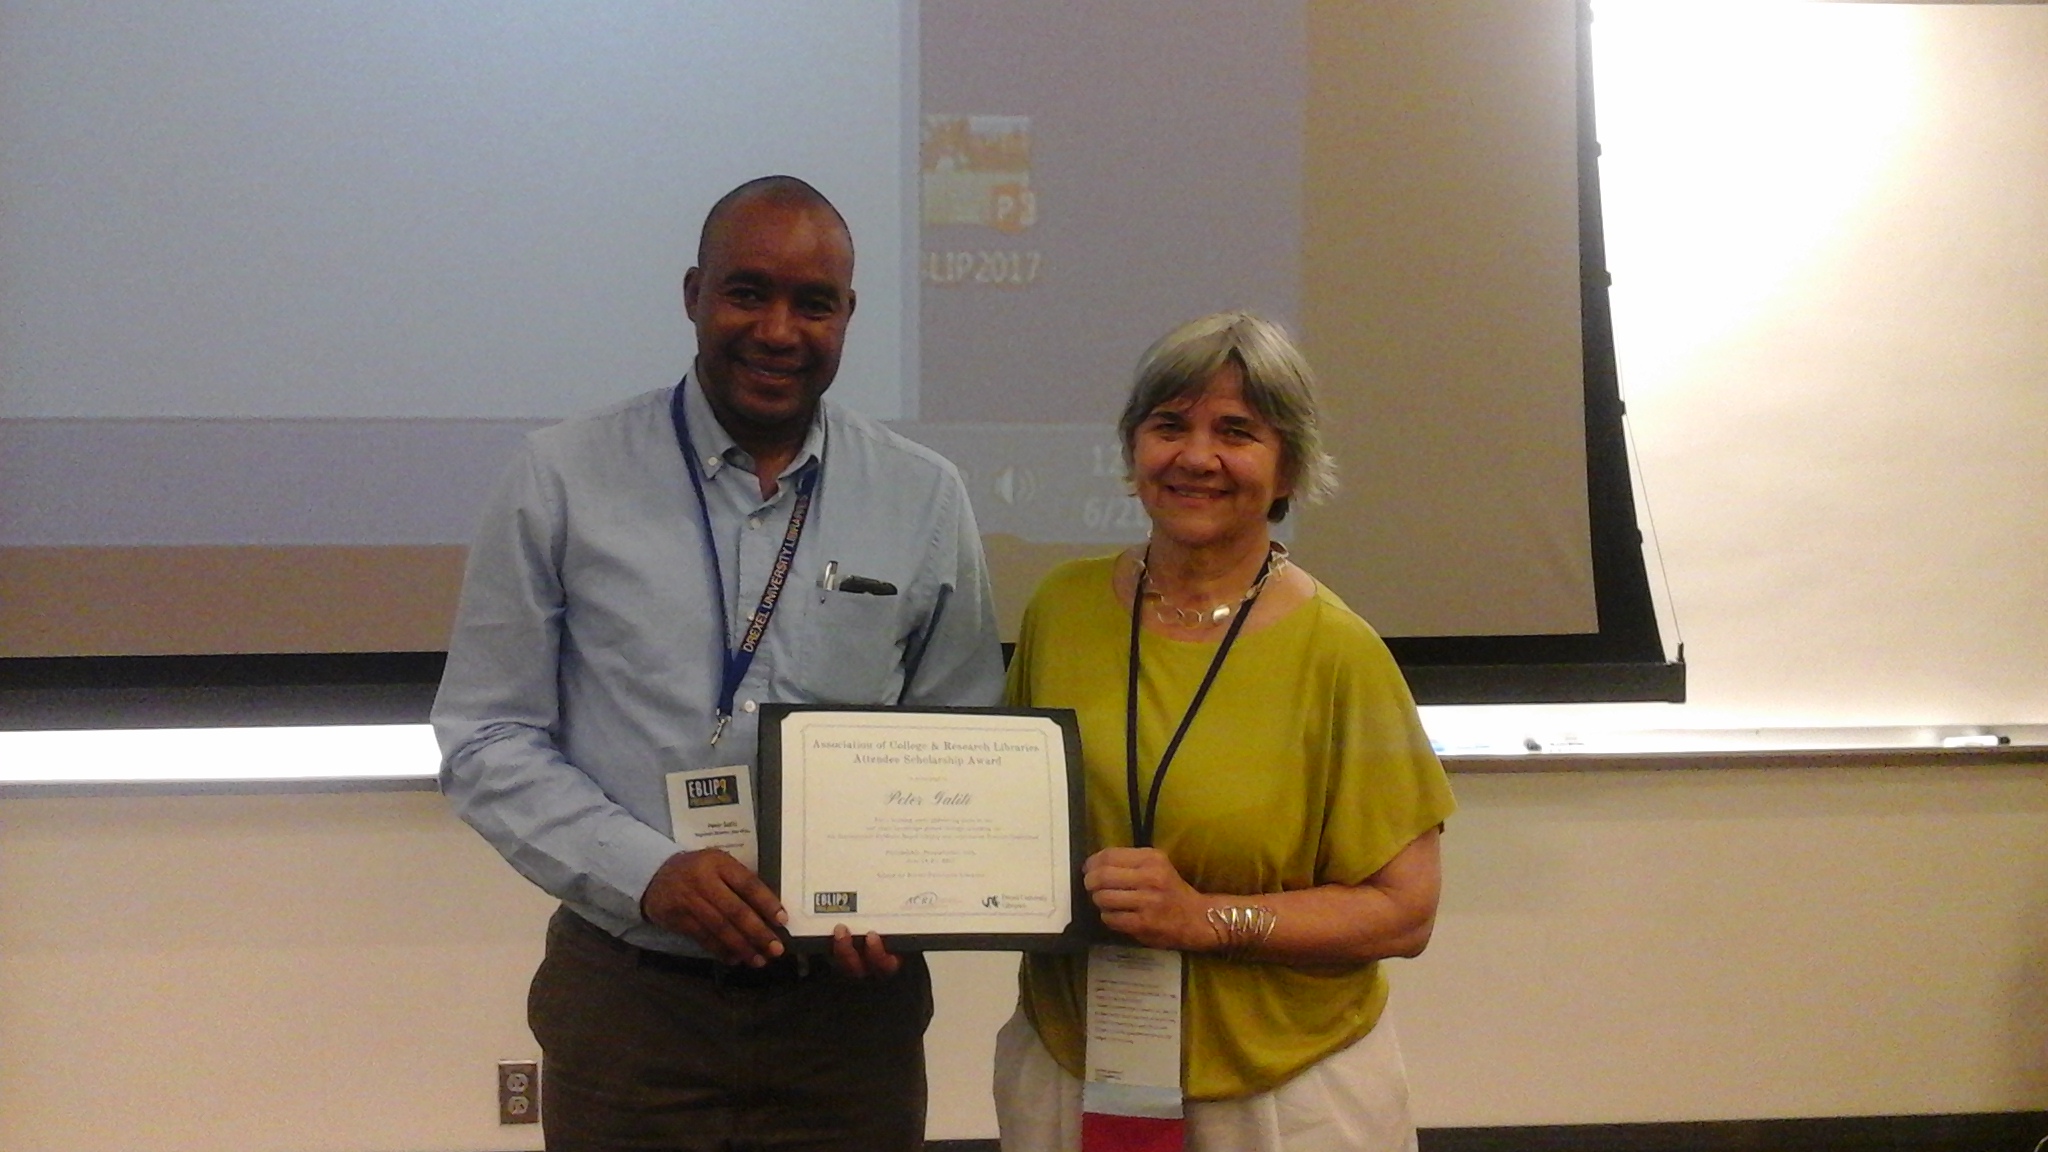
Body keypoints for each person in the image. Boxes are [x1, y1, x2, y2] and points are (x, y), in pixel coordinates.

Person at [433, 175, 1005, 1151]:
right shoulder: (561, 478)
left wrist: (909, 893)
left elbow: (962, 741)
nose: (778, 330)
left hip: (847, 1021)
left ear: (848, 317)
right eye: (747, 292)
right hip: (631, 1002)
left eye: (812, 303)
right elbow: (488, 735)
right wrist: (645, 870)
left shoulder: (923, 498)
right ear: (693, 293)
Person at [994, 312, 1455, 1151]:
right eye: (1169, 424)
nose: (1196, 456)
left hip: (1288, 1095)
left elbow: (1404, 913)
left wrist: (1208, 918)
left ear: (1288, 468)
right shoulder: (1060, 609)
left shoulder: (1338, 652)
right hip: (1071, 1067)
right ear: (1133, 449)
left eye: (1236, 431)